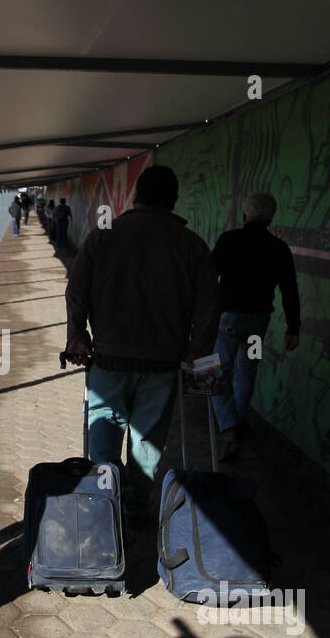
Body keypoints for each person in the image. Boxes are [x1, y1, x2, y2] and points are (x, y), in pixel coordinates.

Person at [64, 165, 220, 528]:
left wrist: (77, 334)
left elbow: (77, 289)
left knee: (103, 439)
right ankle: (135, 507)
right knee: (147, 445)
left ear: (135, 195)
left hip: (108, 360)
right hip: (162, 364)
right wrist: (198, 347)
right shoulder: (192, 244)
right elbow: (210, 303)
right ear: (174, 200)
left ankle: (106, 502)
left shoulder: (103, 237)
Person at [209, 192, 300, 460]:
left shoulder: (229, 240)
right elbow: (290, 290)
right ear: (270, 219)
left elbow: (208, 275)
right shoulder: (279, 248)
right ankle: (237, 421)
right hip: (259, 323)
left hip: (228, 320)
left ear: (244, 216)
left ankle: (229, 429)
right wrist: (293, 328)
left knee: (217, 372)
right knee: (248, 370)